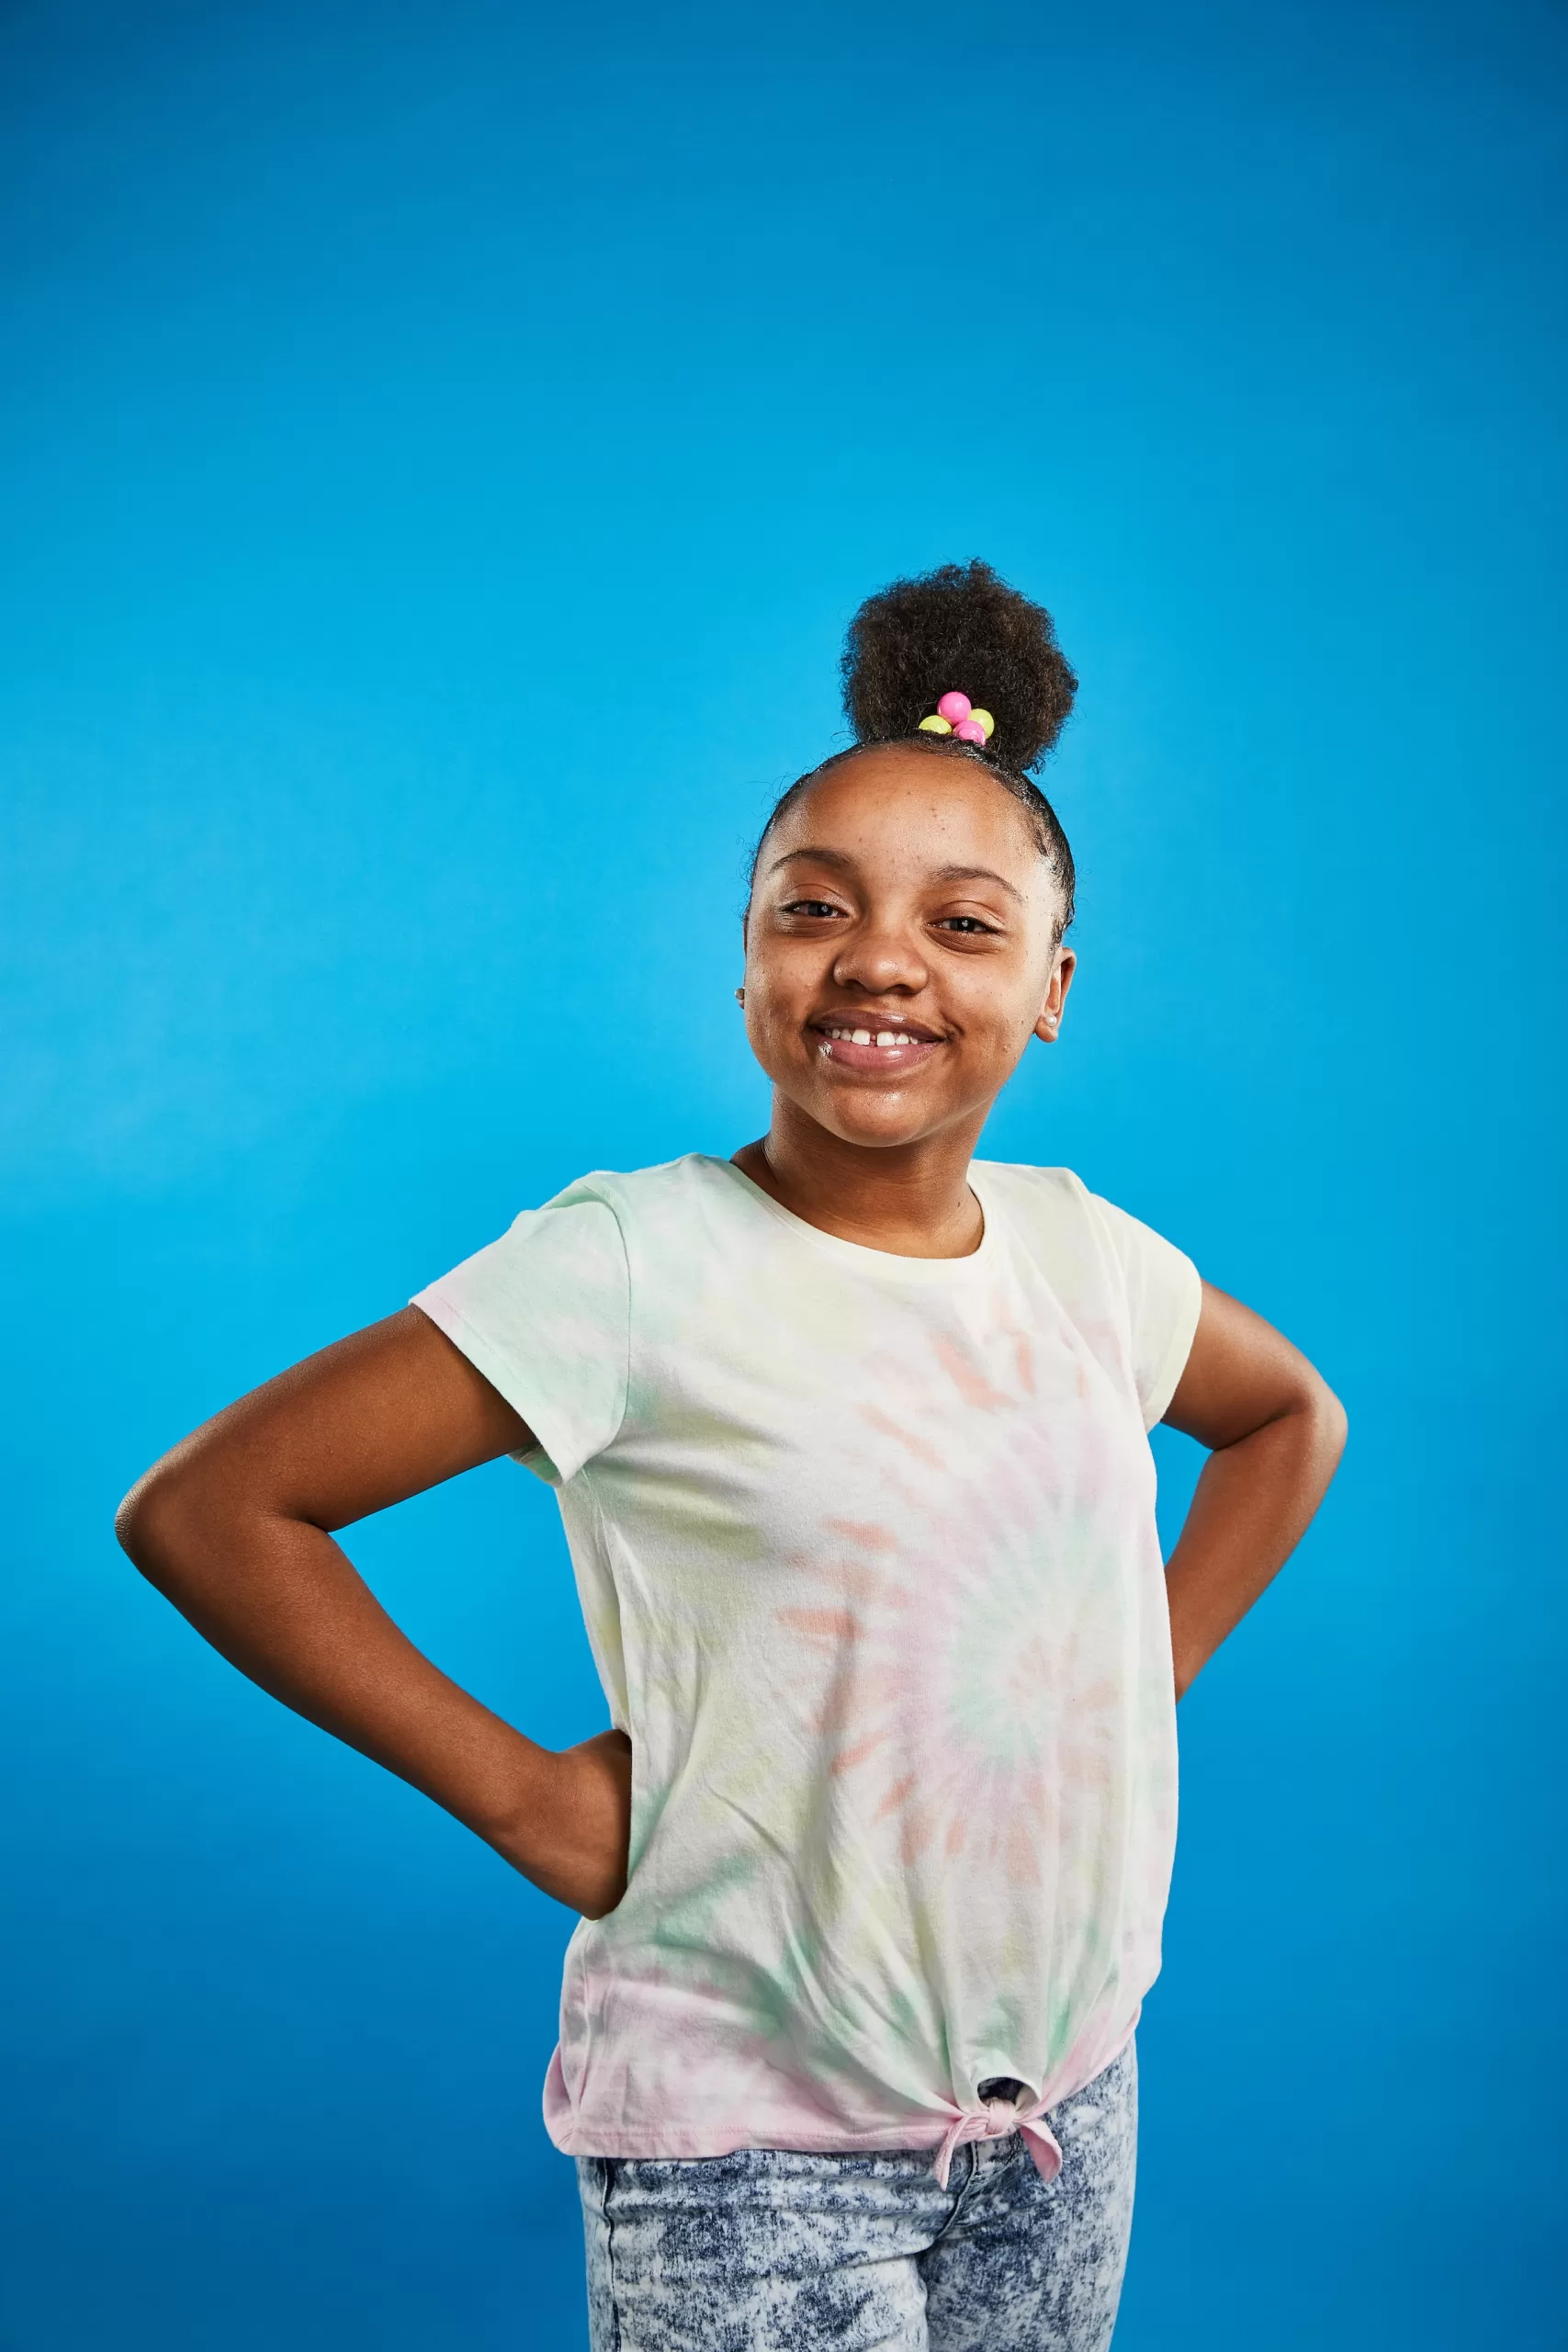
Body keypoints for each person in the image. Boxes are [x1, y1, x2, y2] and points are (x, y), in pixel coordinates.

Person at [118, 560, 1346, 2351]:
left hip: (1063, 2101)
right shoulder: (633, 1262)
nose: (878, 958)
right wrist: (530, 1795)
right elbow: (212, 1506)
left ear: (1052, 986)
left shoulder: (1086, 1255)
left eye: (962, 921)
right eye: (815, 903)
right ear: (749, 949)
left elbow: (1286, 1415)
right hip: (752, 2141)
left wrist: (1137, 1676)